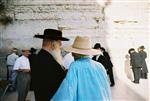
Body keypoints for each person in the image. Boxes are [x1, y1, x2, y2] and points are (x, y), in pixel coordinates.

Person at [51, 36, 111, 101]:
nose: (72, 55)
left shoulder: (75, 66)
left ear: (75, 53)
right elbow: (106, 89)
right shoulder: (100, 66)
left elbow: (67, 92)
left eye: (73, 52)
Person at [32, 29, 69, 101]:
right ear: (53, 44)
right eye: (59, 44)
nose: (60, 47)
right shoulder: (46, 61)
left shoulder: (43, 57)